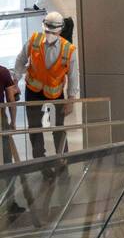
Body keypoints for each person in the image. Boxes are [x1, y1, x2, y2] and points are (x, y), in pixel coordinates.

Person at [14, 11, 78, 158]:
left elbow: (73, 76)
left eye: (52, 31)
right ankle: (40, 162)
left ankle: (62, 160)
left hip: (55, 96)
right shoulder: (34, 40)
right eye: (46, 30)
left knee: (57, 128)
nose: (49, 33)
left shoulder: (68, 50)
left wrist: (71, 100)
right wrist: (16, 81)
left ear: (60, 30)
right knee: (35, 128)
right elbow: (20, 60)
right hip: (33, 92)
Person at [0, 63, 18, 165]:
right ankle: (9, 178)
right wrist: (13, 122)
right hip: (0, 116)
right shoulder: (3, 71)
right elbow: (11, 100)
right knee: (5, 148)